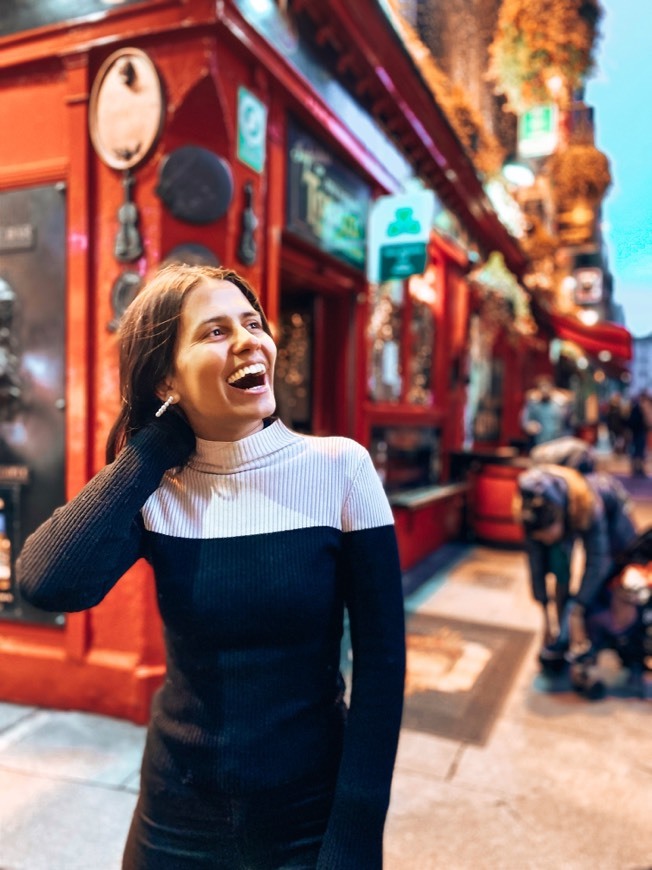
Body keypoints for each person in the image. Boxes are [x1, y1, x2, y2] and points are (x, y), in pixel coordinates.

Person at [16, 263, 406, 870]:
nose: (251, 340)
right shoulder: (158, 489)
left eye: (253, 324)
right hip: (175, 815)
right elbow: (47, 580)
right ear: (168, 375)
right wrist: (156, 445)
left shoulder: (340, 469)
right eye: (216, 332)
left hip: (307, 812)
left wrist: (356, 834)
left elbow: (382, 666)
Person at [514, 463, 637, 667]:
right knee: (559, 564)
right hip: (564, 511)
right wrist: (544, 613)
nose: (545, 540)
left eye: (547, 534)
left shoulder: (589, 504)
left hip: (613, 516)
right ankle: (563, 636)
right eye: (540, 538)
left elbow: (598, 559)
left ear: (562, 518)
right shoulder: (530, 513)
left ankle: (608, 633)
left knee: (615, 571)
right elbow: (536, 565)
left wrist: (579, 608)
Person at [520, 376, 573, 447]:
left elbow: (569, 424)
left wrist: (567, 439)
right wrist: (530, 426)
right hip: (539, 443)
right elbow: (525, 421)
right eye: (542, 387)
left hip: (558, 442)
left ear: (552, 388)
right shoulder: (533, 405)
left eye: (547, 387)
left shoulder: (560, 405)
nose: (545, 390)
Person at [626, 393, 649, 477]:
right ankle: (638, 469)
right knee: (638, 452)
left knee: (638, 452)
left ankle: (637, 469)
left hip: (637, 432)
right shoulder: (639, 409)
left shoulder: (636, 408)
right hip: (638, 432)